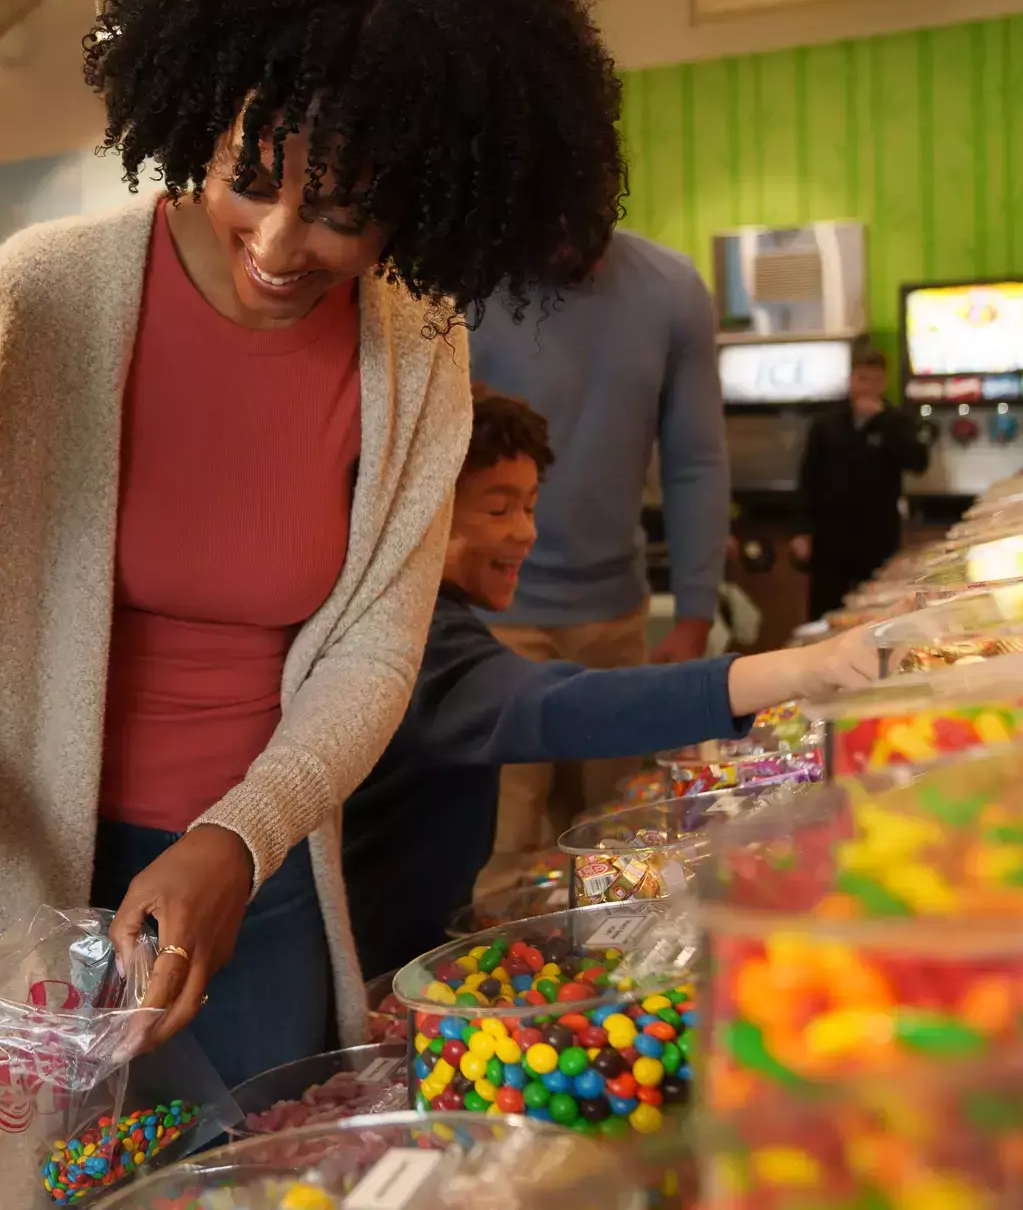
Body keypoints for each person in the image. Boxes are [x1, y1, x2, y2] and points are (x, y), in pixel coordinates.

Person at [0, 0, 627, 1206]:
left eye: (342, 212)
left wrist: (236, 839)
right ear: (194, 116)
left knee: (274, 1181)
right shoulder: (44, 297)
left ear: (421, 201)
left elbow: (373, 655)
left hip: (255, 888)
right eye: (248, 177)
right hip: (18, 881)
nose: (281, 242)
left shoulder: (419, 353)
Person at [344, 388, 874, 978]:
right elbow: (569, 707)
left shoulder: (427, 619)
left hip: (411, 949)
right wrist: (803, 668)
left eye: (530, 506)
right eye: (498, 510)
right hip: (380, 972)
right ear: (418, 512)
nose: (526, 532)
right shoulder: (414, 648)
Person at [466, 228, 730, 886]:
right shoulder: (460, 281)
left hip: (614, 616)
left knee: (625, 842)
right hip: (488, 621)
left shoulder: (670, 288)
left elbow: (694, 460)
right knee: (499, 853)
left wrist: (696, 612)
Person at [793, 345, 931, 620]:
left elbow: (918, 463)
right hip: (830, 535)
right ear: (851, 379)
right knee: (826, 612)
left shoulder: (897, 421)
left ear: (885, 382)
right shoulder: (826, 424)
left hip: (877, 534)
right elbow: (808, 478)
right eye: (862, 379)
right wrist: (802, 530)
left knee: (877, 614)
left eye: (876, 381)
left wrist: (882, 423)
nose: (868, 387)